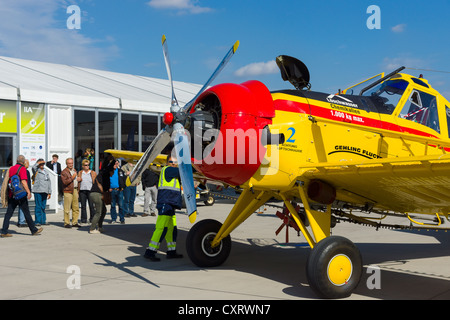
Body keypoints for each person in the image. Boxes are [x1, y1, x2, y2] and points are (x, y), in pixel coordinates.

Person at [144, 155, 183, 261]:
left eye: (175, 162)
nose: (173, 164)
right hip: (166, 203)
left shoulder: (172, 172)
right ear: (167, 163)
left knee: (172, 228)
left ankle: (171, 251)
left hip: (170, 204)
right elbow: (184, 170)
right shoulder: (168, 170)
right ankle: (150, 251)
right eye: (171, 162)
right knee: (162, 228)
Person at [1, 155, 43, 237]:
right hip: (20, 194)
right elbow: (23, 182)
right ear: (23, 162)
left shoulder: (11, 168)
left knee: (8, 213)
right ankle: (33, 230)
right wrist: (28, 192)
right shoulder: (22, 168)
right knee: (26, 212)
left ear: (17, 160)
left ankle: (4, 231)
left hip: (12, 194)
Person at [89, 155, 115, 234]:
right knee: (98, 212)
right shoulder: (105, 173)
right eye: (113, 171)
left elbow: (106, 166)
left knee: (104, 210)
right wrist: (113, 159)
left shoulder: (105, 175)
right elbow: (107, 166)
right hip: (96, 194)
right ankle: (92, 229)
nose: (113, 173)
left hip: (96, 194)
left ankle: (100, 227)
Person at [61, 158, 81, 228]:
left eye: (72, 163)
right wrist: (73, 177)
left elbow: (75, 180)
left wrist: (79, 179)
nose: (71, 165)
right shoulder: (64, 172)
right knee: (67, 208)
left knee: (76, 207)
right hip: (68, 191)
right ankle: (66, 223)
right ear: (66, 164)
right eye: (69, 163)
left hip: (75, 190)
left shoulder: (74, 170)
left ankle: (75, 222)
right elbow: (65, 182)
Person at [32, 158, 52, 226]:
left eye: (43, 164)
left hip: (45, 191)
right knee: (38, 206)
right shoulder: (36, 170)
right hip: (38, 190)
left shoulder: (46, 172)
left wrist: (49, 192)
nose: (42, 165)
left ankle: (43, 220)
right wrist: (38, 162)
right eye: (41, 164)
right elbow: (33, 167)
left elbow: (49, 182)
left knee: (43, 206)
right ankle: (37, 221)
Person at [78, 159, 96, 224]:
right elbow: (77, 181)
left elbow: (95, 182)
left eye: (88, 165)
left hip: (90, 190)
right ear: (83, 166)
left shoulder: (92, 173)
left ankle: (92, 219)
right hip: (82, 190)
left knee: (91, 205)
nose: (87, 166)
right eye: (85, 165)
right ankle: (83, 219)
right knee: (83, 206)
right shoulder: (80, 172)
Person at [109, 159, 126, 224]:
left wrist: (122, 187)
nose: (116, 165)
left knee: (121, 205)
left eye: (117, 164)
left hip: (119, 190)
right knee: (113, 205)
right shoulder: (109, 172)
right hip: (112, 190)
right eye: (114, 164)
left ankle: (122, 219)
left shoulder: (120, 171)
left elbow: (124, 180)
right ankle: (113, 219)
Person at [17, 159, 31, 227]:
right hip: (23, 191)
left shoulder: (19, 170)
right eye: (28, 163)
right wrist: (29, 191)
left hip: (19, 191)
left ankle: (21, 220)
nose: (28, 165)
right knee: (23, 206)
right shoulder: (25, 171)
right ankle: (21, 221)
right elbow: (26, 182)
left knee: (21, 206)